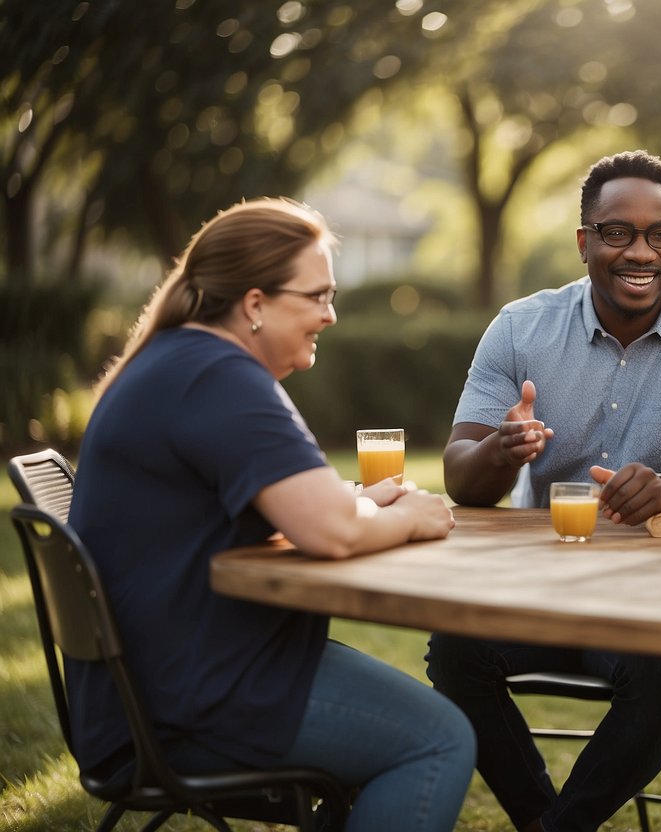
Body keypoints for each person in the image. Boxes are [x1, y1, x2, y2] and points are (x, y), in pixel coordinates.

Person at [428, 149, 661, 832]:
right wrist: (499, 448)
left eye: (660, 234)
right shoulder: (520, 329)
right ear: (584, 242)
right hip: (552, 590)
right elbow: (462, 476)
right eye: (617, 232)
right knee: (456, 652)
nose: (641, 251)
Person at [68, 198, 476, 832]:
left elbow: (297, 507)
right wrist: (417, 517)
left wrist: (363, 502)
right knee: (438, 738)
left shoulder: (180, 362)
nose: (331, 314)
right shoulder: (218, 377)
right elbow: (330, 531)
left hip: (165, 679)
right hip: (187, 702)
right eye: (316, 296)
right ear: (255, 304)